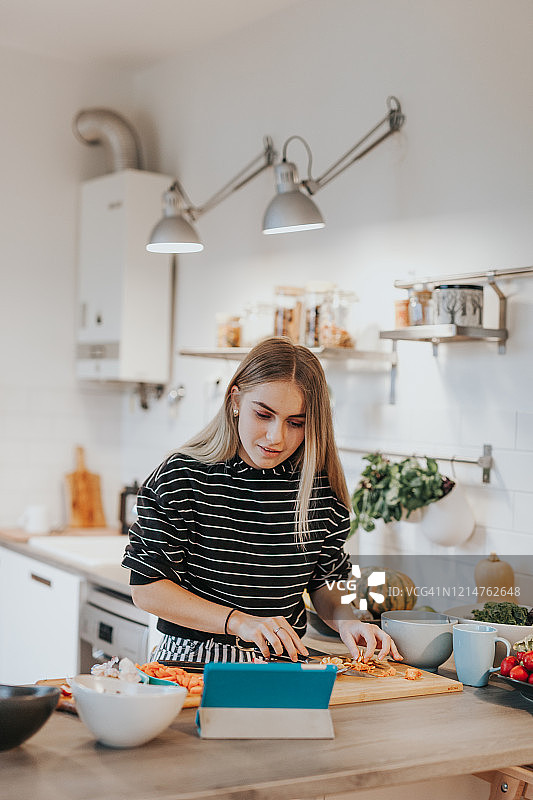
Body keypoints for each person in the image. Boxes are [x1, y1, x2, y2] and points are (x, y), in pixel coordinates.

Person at [122, 337, 401, 664]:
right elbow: (147, 588)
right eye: (263, 415)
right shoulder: (184, 477)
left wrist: (349, 621)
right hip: (193, 663)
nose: (276, 437)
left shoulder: (319, 490)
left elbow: (325, 583)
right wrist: (240, 622)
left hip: (285, 664)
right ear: (236, 399)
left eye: (296, 423)